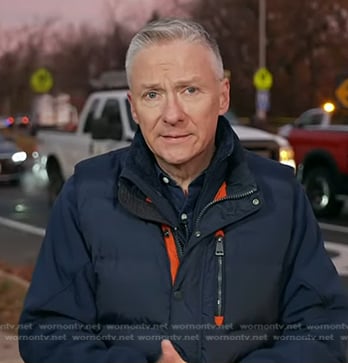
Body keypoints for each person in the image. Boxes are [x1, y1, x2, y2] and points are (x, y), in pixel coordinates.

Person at [19, 18, 348, 363]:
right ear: (134, 107)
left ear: (223, 96)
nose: (172, 114)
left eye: (190, 90)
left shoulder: (282, 197)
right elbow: (47, 331)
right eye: (152, 94)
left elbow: (323, 329)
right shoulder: (85, 195)